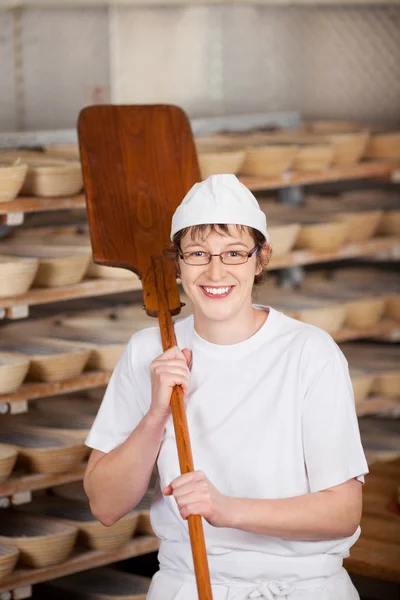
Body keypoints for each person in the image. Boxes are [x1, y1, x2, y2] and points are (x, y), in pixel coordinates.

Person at [84, 174, 368, 600]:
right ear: (176, 261)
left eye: (234, 253)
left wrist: (225, 508)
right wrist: (155, 415)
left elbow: (343, 512)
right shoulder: (150, 351)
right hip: (188, 586)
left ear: (261, 258)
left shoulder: (309, 352)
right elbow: (105, 506)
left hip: (303, 588)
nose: (215, 271)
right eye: (197, 253)